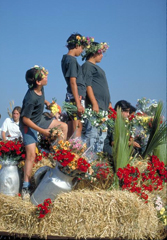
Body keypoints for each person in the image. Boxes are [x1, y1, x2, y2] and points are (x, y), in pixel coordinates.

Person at [19, 65, 68, 200]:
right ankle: (25, 187)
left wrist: (47, 103)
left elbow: (41, 100)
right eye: (44, 76)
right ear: (38, 82)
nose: (47, 76)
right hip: (28, 125)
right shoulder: (30, 98)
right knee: (31, 156)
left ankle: (60, 159)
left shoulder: (41, 89)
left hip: (39, 119)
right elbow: (25, 119)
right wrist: (43, 132)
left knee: (63, 126)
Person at [61, 33, 93, 138]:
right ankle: (75, 151)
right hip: (76, 96)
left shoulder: (66, 59)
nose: (82, 51)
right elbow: (73, 81)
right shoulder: (72, 60)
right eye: (82, 48)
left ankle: (69, 151)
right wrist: (78, 103)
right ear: (76, 45)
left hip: (73, 96)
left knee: (72, 126)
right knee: (77, 126)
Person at [82, 41, 111, 152]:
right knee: (92, 134)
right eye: (101, 53)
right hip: (95, 107)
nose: (102, 56)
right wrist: (94, 102)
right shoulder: (87, 66)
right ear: (94, 53)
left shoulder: (97, 68)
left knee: (101, 136)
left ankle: (97, 160)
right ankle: (89, 159)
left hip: (102, 107)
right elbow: (87, 85)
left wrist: (109, 102)